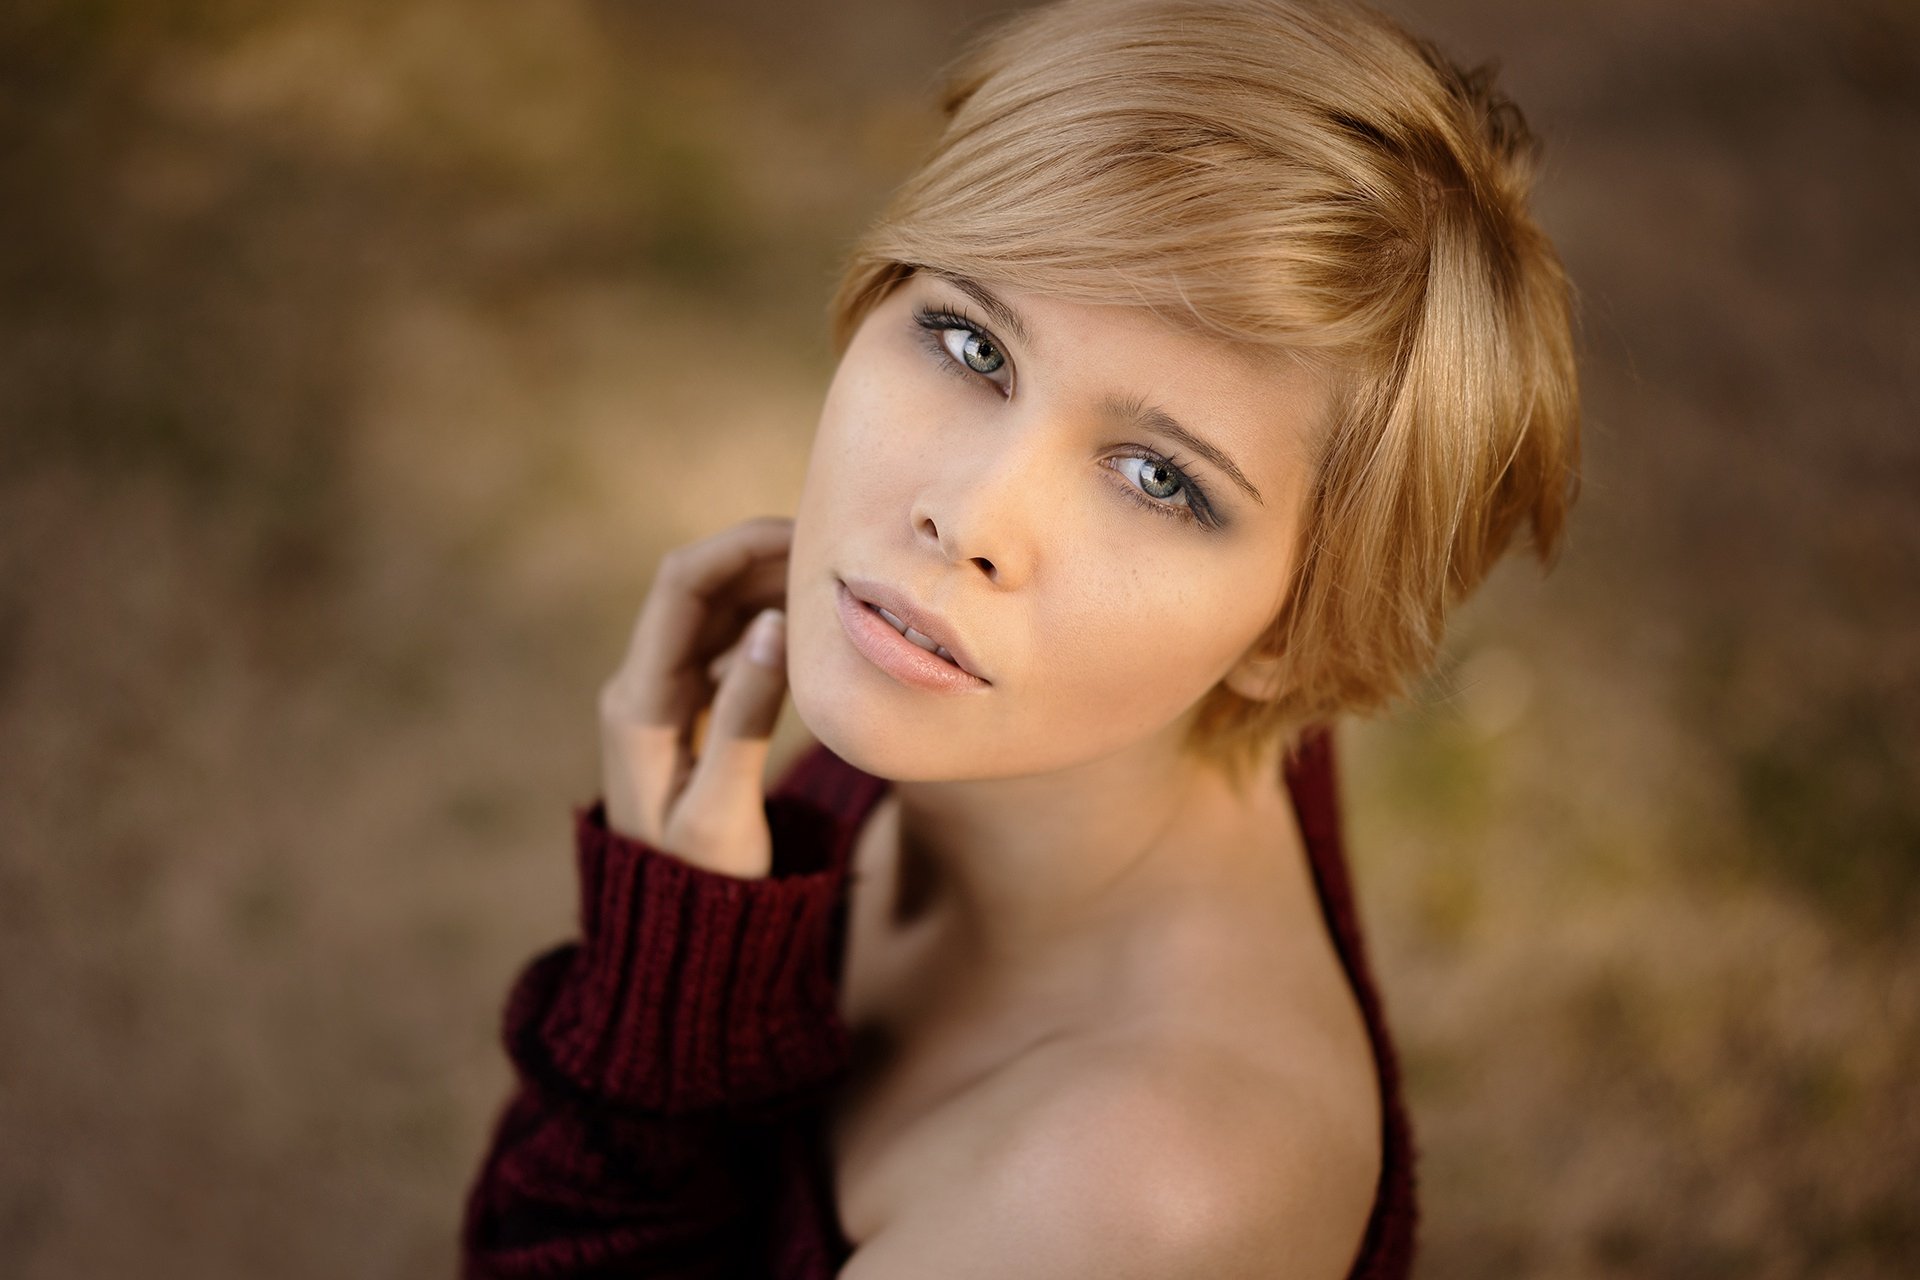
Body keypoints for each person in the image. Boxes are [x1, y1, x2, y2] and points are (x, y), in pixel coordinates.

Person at [458, 0, 1579, 1275]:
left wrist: (655, 1046)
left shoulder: (1134, 1195)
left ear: (1296, 633)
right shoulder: (999, 719)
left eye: (1161, 478)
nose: (968, 517)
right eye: (969, 340)